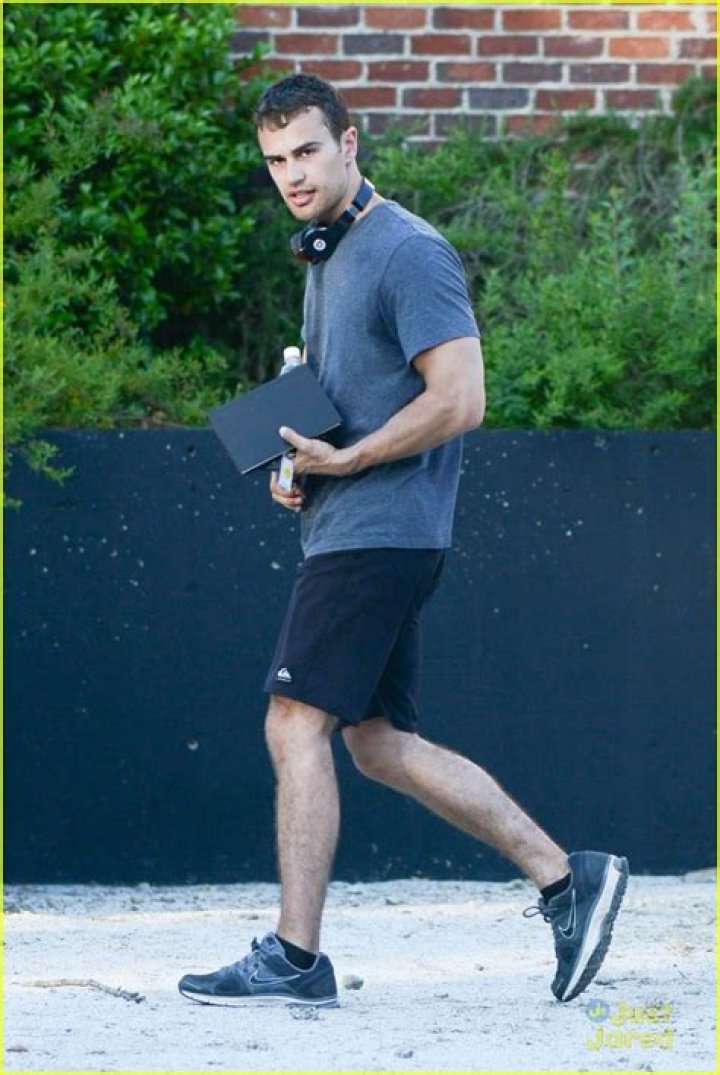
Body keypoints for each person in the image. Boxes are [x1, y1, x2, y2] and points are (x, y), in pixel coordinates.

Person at [178, 74, 628, 1010]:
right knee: (380, 744)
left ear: (350, 143)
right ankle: (567, 877)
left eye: (307, 151)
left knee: (293, 721)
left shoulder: (407, 249)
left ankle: (295, 957)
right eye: (276, 160)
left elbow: (462, 398)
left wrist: (350, 462)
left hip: (379, 531)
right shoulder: (330, 255)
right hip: (355, 523)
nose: (292, 175)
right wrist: (300, 462)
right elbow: (347, 399)